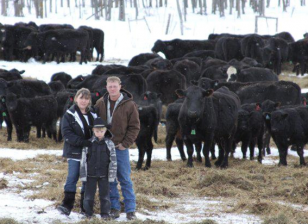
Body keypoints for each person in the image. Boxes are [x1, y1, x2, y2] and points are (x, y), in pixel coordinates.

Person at [95, 76, 140, 220]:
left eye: (115, 86)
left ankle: (130, 210)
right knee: (110, 179)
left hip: (120, 147)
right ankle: (114, 208)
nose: (112, 89)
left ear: (120, 86)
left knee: (125, 178)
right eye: (110, 86)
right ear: (106, 87)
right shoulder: (100, 103)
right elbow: (94, 123)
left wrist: (125, 144)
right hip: (105, 147)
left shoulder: (129, 104)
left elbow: (134, 127)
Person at [57, 88, 97, 216]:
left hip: (90, 153)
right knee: (72, 178)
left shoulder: (93, 114)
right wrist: (83, 142)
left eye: (86, 98)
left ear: (89, 100)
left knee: (87, 180)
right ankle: (67, 205)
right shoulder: (69, 114)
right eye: (81, 98)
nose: (84, 101)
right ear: (76, 99)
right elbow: (67, 134)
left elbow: (98, 130)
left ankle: (85, 207)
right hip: (74, 152)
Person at [80, 117, 117, 219]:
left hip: (104, 175)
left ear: (105, 130)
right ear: (93, 131)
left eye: (102, 131)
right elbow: (83, 160)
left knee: (105, 196)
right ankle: (88, 213)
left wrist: (111, 176)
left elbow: (113, 161)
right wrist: (83, 175)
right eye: (97, 131)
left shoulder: (109, 144)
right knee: (88, 197)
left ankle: (105, 213)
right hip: (90, 175)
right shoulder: (88, 143)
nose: (99, 133)